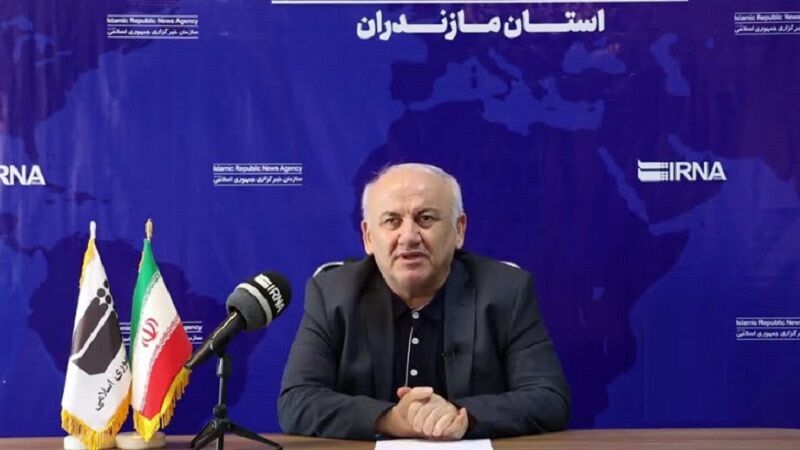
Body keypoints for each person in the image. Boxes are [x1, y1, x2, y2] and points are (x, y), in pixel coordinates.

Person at [278, 163, 570, 440]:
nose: (408, 237)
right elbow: (297, 401)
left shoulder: (506, 291)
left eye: (425, 218)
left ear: (458, 229)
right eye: (392, 221)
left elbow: (549, 399)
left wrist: (458, 415)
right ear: (368, 237)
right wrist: (391, 419)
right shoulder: (332, 294)